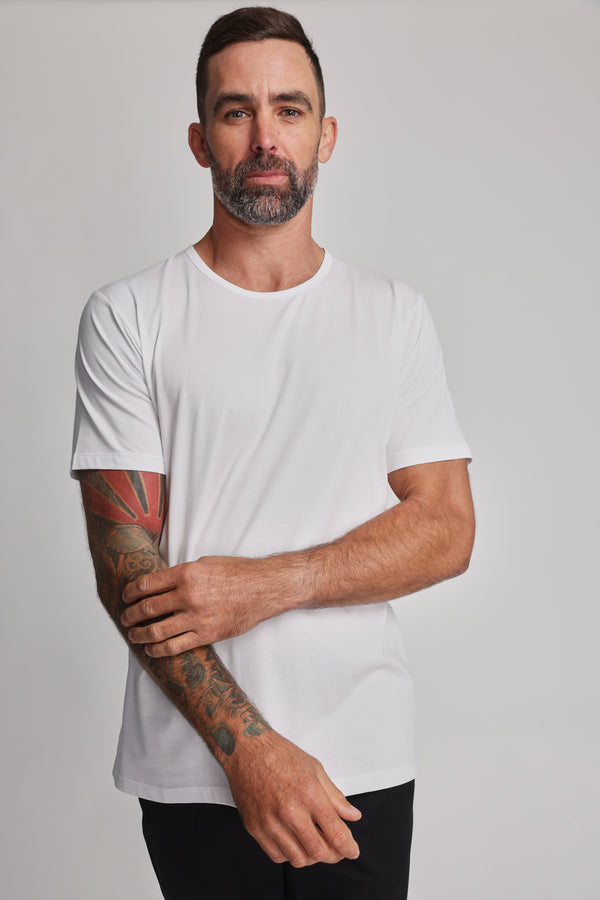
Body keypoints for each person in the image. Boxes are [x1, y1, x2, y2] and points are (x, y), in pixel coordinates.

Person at [72, 7, 475, 899]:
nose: (265, 136)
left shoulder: (391, 313)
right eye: (235, 111)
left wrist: (271, 583)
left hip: (360, 765)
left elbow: (447, 529)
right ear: (198, 138)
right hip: (198, 771)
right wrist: (250, 752)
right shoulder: (130, 315)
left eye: (289, 110)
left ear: (326, 134)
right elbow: (124, 567)